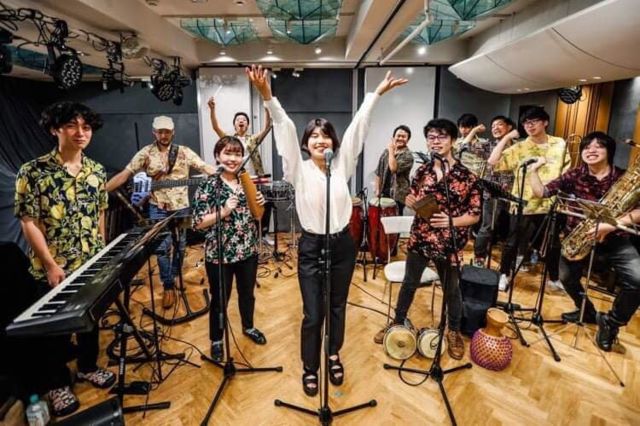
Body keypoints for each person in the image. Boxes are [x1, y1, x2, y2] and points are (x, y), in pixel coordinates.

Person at [248, 64, 407, 396]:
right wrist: (267, 97)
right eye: (314, 137)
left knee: (337, 306)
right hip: (311, 246)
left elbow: (357, 129)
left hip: (342, 245)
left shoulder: (341, 165)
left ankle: (333, 354)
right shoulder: (297, 169)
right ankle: (310, 366)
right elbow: (285, 128)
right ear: (306, 144)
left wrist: (375, 95)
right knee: (312, 312)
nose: (320, 140)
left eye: (325, 136)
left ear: (332, 141)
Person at [14, 102, 116, 417]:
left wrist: (102, 251)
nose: (80, 133)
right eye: (72, 125)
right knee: (54, 330)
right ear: (55, 129)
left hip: (90, 262)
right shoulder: (32, 172)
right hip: (53, 267)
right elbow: (28, 221)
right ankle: (57, 383)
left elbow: (100, 213)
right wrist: (49, 264)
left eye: (86, 127)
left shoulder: (96, 170)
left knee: (89, 321)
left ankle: (87, 366)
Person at [374, 119, 481, 360]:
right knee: (409, 283)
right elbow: (414, 198)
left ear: (453, 140)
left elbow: (475, 215)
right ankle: (397, 321)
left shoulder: (467, 176)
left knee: (451, 289)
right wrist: (411, 201)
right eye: (431, 137)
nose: (436, 141)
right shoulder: (421, 172)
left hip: (450, 242)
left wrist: (452, 221)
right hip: (421, 237)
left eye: (442, 136)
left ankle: (453, 331)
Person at [529, 132, 640, 351]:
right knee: (566, 278)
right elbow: (542, 192)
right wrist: (533, 170)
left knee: (637, 280)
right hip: (578, 236)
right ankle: (586, 311)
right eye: (587, 147)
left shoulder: (624, 177)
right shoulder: (574, 175)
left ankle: (611, 323)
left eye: (598, 146)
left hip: (615, 238)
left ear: (609, 151)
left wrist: (613, 224)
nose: (591, 150)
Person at [106, 116, 216, 308]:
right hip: (157, 207)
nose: (163, 135)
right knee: (162, 248)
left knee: (181, 245)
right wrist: (100, 192)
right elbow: (125, 174)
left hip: (181, 207)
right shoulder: (146, 153)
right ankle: (168, 286)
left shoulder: (184, 152)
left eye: (167, 132)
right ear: (154, 133)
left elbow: (203, 166)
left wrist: (225, 174)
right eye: (160, 132)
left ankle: (174, 276)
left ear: (173, 132)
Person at [192, 136, 268, 361]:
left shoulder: (247, 181)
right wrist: (224, 211)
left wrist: (260, 204)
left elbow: (258, 216)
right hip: (219, 254)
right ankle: (217, 340)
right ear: (217, 156)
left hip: (247, 250)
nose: (233, 159)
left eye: (237, 154)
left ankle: (249, 327)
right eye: (228, 153)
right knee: (219, 299)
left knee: (247, 294)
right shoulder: (208, 185)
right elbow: (197, 222)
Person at [487, 106, 570, 291]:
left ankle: (554, 278)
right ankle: (504, 274)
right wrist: (506, 138)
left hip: (550, 202)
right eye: (525, 123)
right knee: (512, 241)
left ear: (545, 122)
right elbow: (492, 162)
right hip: (523, 202)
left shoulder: (559, 143)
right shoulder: (520, 147)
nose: (529, 126)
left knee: (553, 244)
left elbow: (566, 172)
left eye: (534, 121)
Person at [208, 97, 274, 241]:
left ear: (248, 124)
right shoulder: (229, 140)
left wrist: (266, 108)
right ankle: (242, 235)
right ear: (235, 124)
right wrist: (212, 110)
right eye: (238, 119)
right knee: (239, 206)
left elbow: (267, 127)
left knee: (262, 204)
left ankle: (262, 234)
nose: (241, 121)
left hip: (254, 178)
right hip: (236, 179)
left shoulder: (253, 139)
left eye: (244, 119)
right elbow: (216, 128)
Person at [472, 115, 517, 266]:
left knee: (512, 230)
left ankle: (510, 262)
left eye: (499, 125)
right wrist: (474, 131)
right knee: (487, 226)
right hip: (493, 193)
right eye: (493, 126)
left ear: (509, 127)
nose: (495, 128)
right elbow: (465, 146)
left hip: (514, 194)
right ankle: (479, 257)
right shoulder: (488, 145)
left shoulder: (519, 147)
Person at [374, 125, 414, 215]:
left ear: (408, 140)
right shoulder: (386, 152)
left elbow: (393, 168)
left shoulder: (408, 156)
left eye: (404, 136)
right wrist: (377, 190)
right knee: (381, 220)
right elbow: (378, 171)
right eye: (398, 136)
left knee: (395, 220)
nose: (400, 138)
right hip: (384, 193)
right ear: (393, 138)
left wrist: (391, 150)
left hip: (398, 196)